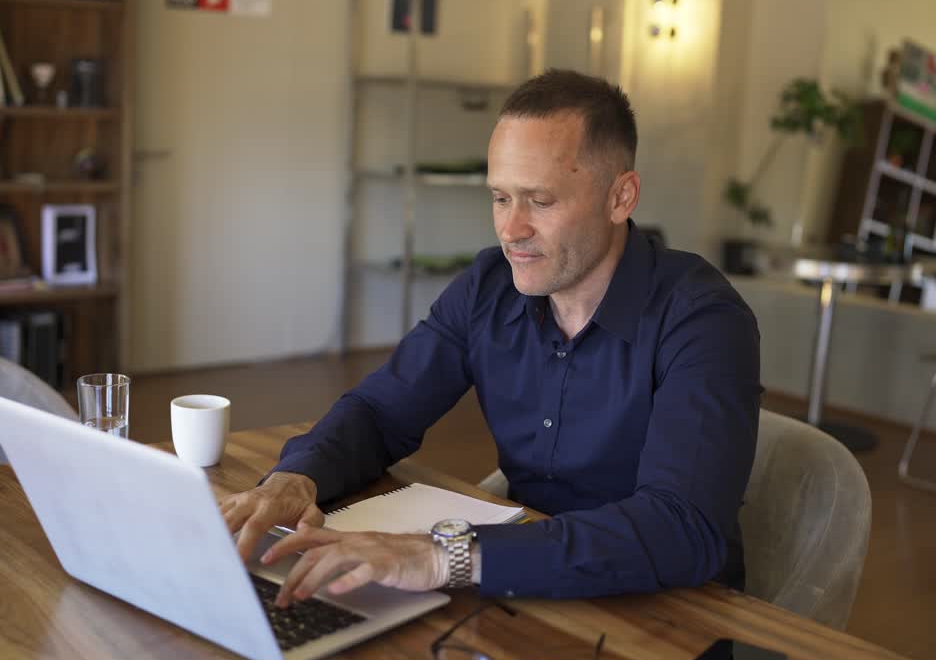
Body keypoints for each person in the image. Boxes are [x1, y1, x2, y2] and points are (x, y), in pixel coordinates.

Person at [220, 68, 761, 606]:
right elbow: (382, 411)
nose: (511, 229)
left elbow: (680, 528)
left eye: (540, 201)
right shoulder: (488, 287)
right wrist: (297, 477)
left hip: (668, 614)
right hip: (519, 588)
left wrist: (443, 555)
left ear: (621, 198)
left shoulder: (703, 319)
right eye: (501, 198)